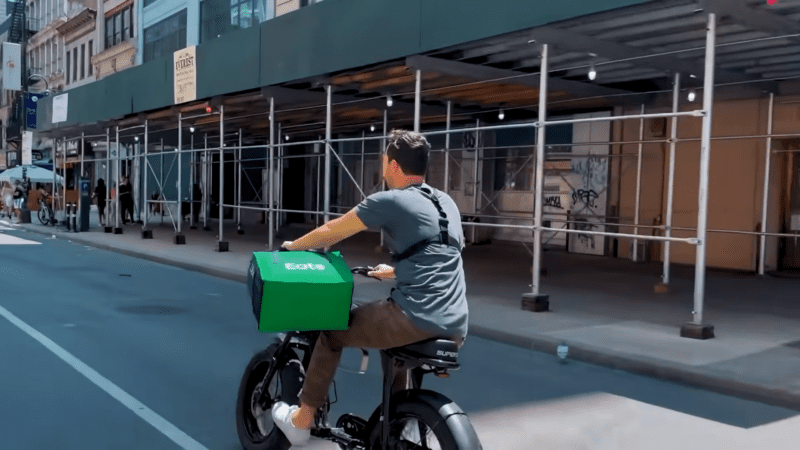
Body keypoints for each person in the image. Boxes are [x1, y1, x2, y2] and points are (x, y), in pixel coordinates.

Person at [270, 129, 468, 446]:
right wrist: (393, 271)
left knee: (333, 331)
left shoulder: (390, 199)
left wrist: (292, 247)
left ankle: (301, 420)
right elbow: (440, 254)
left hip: (415, 316)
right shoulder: (446, 203)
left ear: (391, 164)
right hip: (457, 321)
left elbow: (334, 229)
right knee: (395, 349)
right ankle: (396, 424)